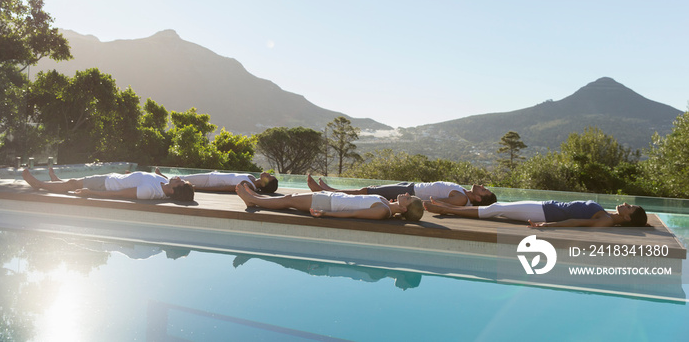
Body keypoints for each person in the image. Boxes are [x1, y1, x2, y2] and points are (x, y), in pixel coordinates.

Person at [235, 180, 424, 221]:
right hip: (331, 197)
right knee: (289, 198)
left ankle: (253, 201)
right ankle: (256, 198)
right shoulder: (384, 201)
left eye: (408, 198)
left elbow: (353, 213)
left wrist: (326, 213)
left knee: (289, 200)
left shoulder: (382, 211)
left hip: (328, 204)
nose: (406, 194)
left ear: (405, 209)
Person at [424, 198, 648, 227]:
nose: (626, 204)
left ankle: (444, 209)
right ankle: (449, 208)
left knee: (496, 209)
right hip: (545, 206)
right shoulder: (608, 214)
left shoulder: (607, 219)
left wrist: (546, 226)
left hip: (543, 213)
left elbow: (575, 222)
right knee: (497, 208)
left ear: (628, 216)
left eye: (630, 207)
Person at [307, 175, 497, 207]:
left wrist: (405, 202)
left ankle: (328, 192)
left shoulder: (462, 199)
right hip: (411, 186)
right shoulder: (463, 192)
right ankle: (331, 190)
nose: (482, 186)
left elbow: (436, 203)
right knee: (370, 190)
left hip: (410, 192)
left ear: (480, 198)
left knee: (368, 191)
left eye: (484, 190)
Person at [22, 168, 195, 201]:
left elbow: (119, 194)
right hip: (112, 178)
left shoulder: (149, 191)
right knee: (70, 183)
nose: (178, 178)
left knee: (72, 183)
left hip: (105, 185)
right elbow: (152, 178)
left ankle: (39, 185)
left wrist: (90, 193)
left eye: (180, 182)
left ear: (174, 190)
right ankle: (56, 182)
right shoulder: (163, 183)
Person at [154, 167, 278, 194]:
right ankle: (161, 178)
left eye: (269, 177)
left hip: (209, 181)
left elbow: (224, 188)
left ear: (265, 183)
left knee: (181, 180)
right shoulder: (251, 177)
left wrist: (198, 188)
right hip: (212, 175)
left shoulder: (248, 185)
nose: (267, 174)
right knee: (181, 179)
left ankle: (159, 178)